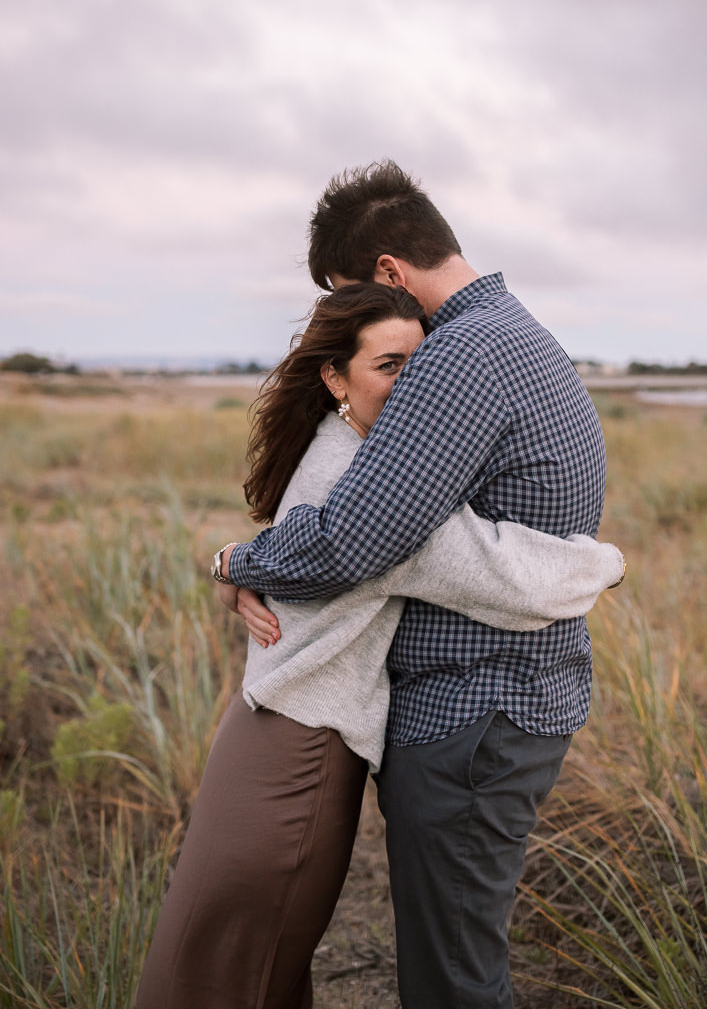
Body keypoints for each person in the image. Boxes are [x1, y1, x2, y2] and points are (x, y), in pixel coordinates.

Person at [135, 281, 623, 1009]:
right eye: (389, 367)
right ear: (335, 377)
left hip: (279, 735)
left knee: (248, 967)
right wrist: (604, 562)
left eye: (419, 368)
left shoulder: (348, 452)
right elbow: (507, 576)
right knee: (233, 972)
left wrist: (237, 560)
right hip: (295, 756)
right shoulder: (368, 489)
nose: (411, 388)